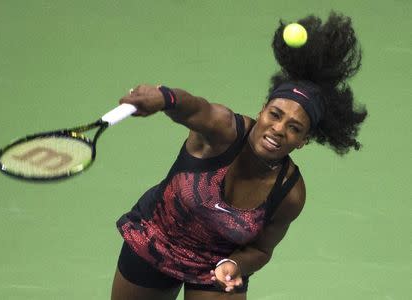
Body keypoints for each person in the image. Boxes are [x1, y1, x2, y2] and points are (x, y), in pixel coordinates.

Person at [111, 12, 367, 300]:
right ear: (262, 110)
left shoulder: (289, 193)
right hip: (158, 238)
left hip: (215, 262)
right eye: (275, 115)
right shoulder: (224, 131)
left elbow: (261, 250)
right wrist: (164, 98)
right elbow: (194, 108)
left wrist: (233, 264)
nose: (278, 129)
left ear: (303, 141)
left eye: (294, 128)